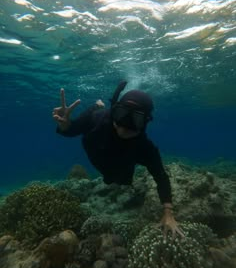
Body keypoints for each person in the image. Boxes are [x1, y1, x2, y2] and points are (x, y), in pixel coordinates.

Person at [53, 81, 183, 238]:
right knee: (97, 112)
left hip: (119, 169)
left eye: (135, 119)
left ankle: (100, 104)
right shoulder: (97, 120)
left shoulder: (145, 148)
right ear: (115, 111)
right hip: (96, 146)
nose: (124, 126)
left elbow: (161, 177)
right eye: (122, 114)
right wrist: (65, 125)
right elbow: (71, 130)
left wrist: (168, 213)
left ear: (146, 122)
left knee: (119, 180)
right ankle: (98, 105)